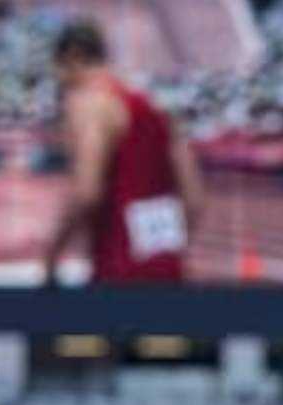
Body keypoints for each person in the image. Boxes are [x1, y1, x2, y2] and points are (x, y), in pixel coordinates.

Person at [43, 19, 204, 286]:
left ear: (72, 57)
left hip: (115, 271)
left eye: (60, 72)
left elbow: (86, 192)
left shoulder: (89, 103)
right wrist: (164, 253)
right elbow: (195, 199)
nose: (62, 83)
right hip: (169, 271)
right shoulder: (156, 109)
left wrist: (52, 256)